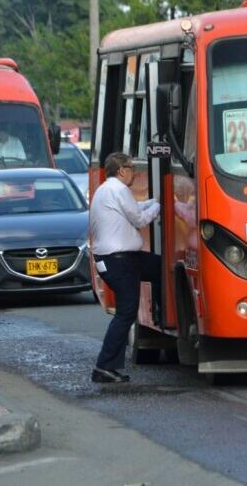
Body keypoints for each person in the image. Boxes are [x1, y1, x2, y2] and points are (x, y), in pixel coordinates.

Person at [89, 152, 161, 384]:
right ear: (121, 171)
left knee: (161, 268)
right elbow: (140, 219)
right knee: (126, 313)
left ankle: (160, 313)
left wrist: (154, 201)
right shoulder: (119, 190)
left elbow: (135, 207)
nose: (134, 172)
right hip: (119, 261)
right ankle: (104, 366)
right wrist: (159, 206)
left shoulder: (105, 189)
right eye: (131, 168)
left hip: (118, 258)